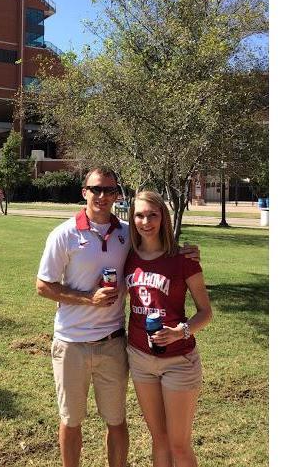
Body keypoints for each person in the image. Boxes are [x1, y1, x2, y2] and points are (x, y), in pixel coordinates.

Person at [36, 168, 199, 467]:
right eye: (96, 189)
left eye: (109, 190)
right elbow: (43, 286)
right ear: (84, 191)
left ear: (116, 195)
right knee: (71, 420)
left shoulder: (127, 233)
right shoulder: (64, 234)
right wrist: (88, 298)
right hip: (71, 342)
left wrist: (186, 253)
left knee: (116, 420)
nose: (102, 196)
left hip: (113, 342)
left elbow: (157, 250)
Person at [124, 191, 212, 467]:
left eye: (153, 214)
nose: (146, 221)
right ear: (132, 218)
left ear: (164, 217)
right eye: (139, 215)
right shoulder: (127, 256)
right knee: (158, 439)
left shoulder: (183, 259)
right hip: (140, 359)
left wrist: (180, 331)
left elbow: (206, 312)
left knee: (179, 445)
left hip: (179, 361)